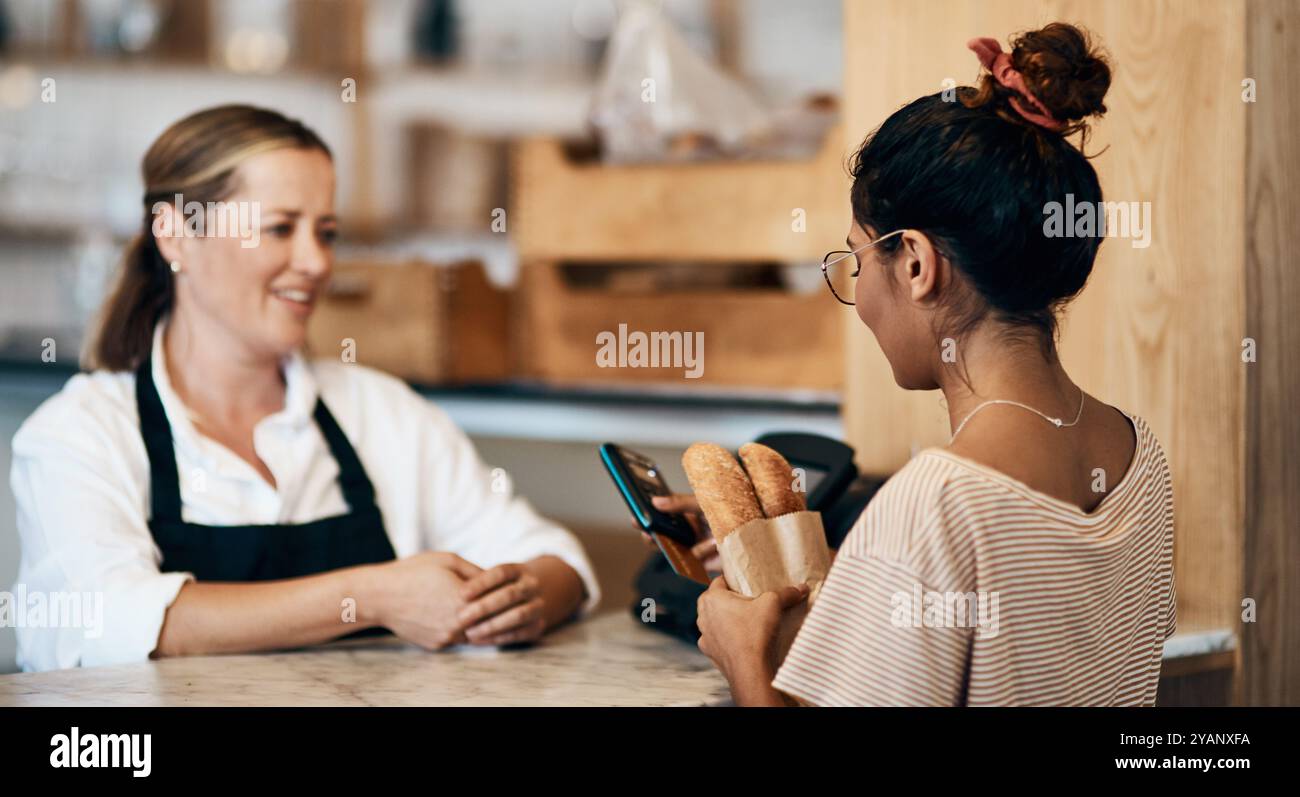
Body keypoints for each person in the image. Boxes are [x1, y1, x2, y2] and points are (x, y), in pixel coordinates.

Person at [683, 23, 1176, 706]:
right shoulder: (1142, 461)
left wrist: (744, 657)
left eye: (857, 261)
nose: (857, 301)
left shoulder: (937, 503)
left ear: (915, 262)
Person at [10, 105, 598, 672]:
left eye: (327, 232)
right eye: (280, 228)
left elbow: (556, 560)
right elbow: (104, 620)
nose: (316, 262)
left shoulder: (385, 413)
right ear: (176, 237)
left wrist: (522, 600)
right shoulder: (81, 433)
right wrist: (371, 596)